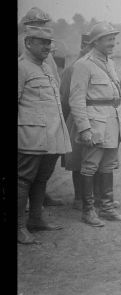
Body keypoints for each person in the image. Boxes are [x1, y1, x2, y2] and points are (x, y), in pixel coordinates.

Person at [69, 21, 121, 227]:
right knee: (89, 166)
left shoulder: (109, 62)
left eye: (114, 39)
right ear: (96, 41)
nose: (113, 43)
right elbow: (76, 100)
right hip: (95, 122)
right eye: (108, 39)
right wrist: (84, 127)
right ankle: (89, 211)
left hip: (112, 122)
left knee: (108, 166)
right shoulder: (83, 65)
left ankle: (107, 208)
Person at [18, 25, 71, 244]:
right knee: (23, 180)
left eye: (49, 42)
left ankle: (36, 219)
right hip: (31, 134)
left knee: (42, 178)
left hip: (52, 134)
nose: (48, 47)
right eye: (42, 42)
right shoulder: (21, 68)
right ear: (28, 43)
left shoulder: (47, 68)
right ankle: (19, 226)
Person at [18, 7, 64, 207]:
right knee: (26, 174)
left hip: (50, 120)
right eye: (38, 24)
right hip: (30, 123)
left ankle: (38, 211)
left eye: (45, 24)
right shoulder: (25, 45)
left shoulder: (45, 53)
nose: (42, 28)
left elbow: (53, 79)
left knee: (42, 173)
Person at [59, 33, 94, 210]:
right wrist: (66, 122)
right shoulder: (72, 69)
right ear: (84, 47)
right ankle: (79, 198)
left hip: (96, 117)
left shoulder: (98, 66)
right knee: (78, 160)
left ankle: (93, 197)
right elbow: (65, 99)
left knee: (95, 158)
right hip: (76, 117)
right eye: (90, 46)